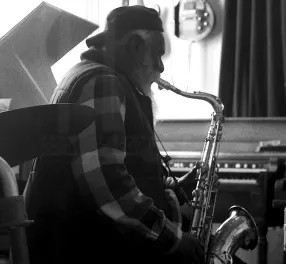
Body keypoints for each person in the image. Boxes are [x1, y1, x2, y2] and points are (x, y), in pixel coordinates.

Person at [24, 6, 204, 264]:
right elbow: (105, 182)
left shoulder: (93, 75)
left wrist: (175, 188)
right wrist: (172, 237)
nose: (161, 68)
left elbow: (120, 167)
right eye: (157, 55)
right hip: (85, 250)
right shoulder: (102, 83)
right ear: (134, 45)